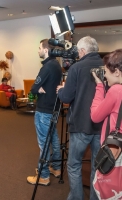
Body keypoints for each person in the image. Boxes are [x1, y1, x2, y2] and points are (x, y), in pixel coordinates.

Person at [56, 36, 103, 200]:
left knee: (74, 164)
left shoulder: (77, 67)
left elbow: (67, 97)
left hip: (80, 125)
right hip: (102, 126)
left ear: (82, 51)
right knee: (97, 167)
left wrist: (60, 90)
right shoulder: (108, 67)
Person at [27, 39, 62, 186]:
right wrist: (38, 88)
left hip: (44, 110)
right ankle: (56, 167)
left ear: (46, 50)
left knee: (44, 143)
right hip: (54, 108)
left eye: (39, 48)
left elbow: (34, 88)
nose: (38, 51)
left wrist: (37, 89)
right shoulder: (57, 66)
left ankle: (44, 175)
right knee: (53, 139)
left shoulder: (47, 67)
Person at [91, 49, 122, 199]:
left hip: (115, 150)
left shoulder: (116, 90)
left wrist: (99, 86)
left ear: (116, 72)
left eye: (106, 71)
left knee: (108, 190)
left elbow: (95, 116)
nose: (105, 75)